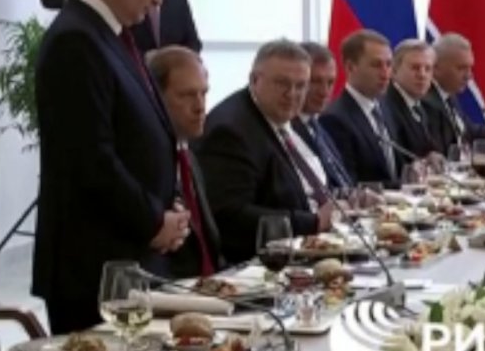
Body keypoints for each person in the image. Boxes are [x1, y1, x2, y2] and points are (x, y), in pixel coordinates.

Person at [32, 0, 191, 333]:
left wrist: (169, 206)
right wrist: (153, 221)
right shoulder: (75, 40)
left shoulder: (111, 35)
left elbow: (147, 136)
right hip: (93, 269)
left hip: (131, 257)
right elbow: (91, 161)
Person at [196, 39, 335, 264]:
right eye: (282, 83)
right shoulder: (231, 130)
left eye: (301, 86)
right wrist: (313, 222)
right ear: (254, 80)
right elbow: (231, 215)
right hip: (257, 264)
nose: (292, 94)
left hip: (305, 249)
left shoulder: (281, 116)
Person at [147, 46, 223, 278]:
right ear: (154, 97)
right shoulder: (146, 161)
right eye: (187, 95)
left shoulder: (188, 154)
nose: (200, 107)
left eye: (203, 93)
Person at [321, 30, 399, 188]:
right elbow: (349, 185)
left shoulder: (385, 106)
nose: (386, 74)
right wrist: (404, 187)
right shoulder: (335, 118)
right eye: (376, 65)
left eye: (389, 64)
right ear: (350, 67)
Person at [293, 42, 353, 190]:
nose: (324, 92)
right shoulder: (287, 129)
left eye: (330, 82)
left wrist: (357, 196)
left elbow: (340, 180)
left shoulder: (315, 124)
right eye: (315, 82)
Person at [425, 33, 485, 151]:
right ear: (436, 68)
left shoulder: (448, 94)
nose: (469, 76)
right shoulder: (426, 101)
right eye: (461, 68)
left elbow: (470, 131)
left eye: (470, 68)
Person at [384, 39, 442, 163]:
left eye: (428, 69)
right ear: (394, 71)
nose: (422, 75)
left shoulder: (422, 105)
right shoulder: (386, 106)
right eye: (415, 68)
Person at [132, 0, 202, 54]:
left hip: (175, 61)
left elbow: (194, 43)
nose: (159, 0)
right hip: (137, 60)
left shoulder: (179, 0)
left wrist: (177, 57)